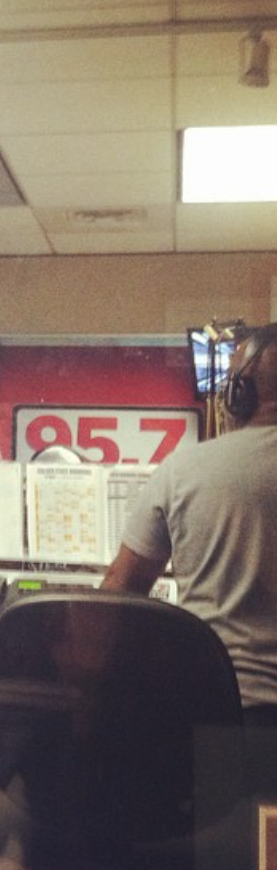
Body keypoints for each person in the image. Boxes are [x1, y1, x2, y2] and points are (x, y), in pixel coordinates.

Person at [102, 322, 277, 796]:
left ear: (238, 393)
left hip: (217, 720)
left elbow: (118, 592)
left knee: (221, 836)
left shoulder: (184, 470)